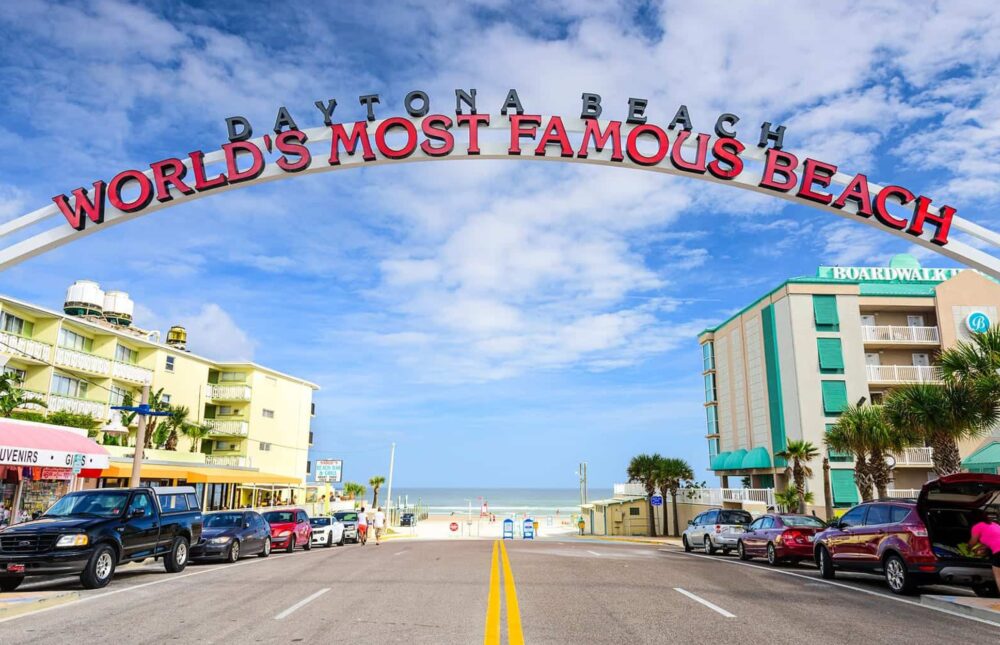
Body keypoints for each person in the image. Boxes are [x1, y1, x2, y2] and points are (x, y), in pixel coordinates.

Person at [969, 510, 1000, 590]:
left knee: (998, 576)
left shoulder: (977, 526)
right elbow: (992, 540)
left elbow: (973, 542)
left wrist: (968, 548)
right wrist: (980, 549)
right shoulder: (995, 525)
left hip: (998, 553)